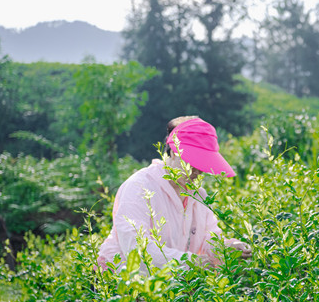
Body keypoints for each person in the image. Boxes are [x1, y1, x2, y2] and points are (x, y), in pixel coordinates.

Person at [98, 116, 251, 271]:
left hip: (170, 281)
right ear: (173, 153)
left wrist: (229, 248)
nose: (198, 170)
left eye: (203, 163)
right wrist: (192, 262)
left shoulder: (198, 195)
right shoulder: (139, 187)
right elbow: (137, 250)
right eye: (193, 162)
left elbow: (207, 238)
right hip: (122, 282)